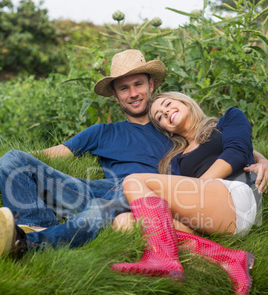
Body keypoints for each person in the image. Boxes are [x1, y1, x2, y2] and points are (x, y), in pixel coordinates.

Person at [0, 50, 267, 265]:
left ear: (151, 85)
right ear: (115, 97)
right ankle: (33, 227)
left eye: (138, 84)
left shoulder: (172, 127)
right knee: (13, 160)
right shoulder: (101, 132)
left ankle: (32, 246)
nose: (133, 93)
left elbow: (222, 139)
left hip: (148, 196)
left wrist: (261, 159)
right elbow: (50, 155)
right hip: (100, 190)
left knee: (107, 205)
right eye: (124, 88)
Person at [111, 92, 265, 295]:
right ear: (165, 128)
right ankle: (227, 256)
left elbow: (238, 150)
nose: (165, 112)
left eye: (167, 104)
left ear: (183, 101)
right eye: (159, 117)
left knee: (133, 182)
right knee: (125, 223)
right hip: (210, 216)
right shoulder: (175, 161)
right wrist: (193, 192)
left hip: (237, 197)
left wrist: (199, 186)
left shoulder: (227, 119)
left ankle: (163, 261)